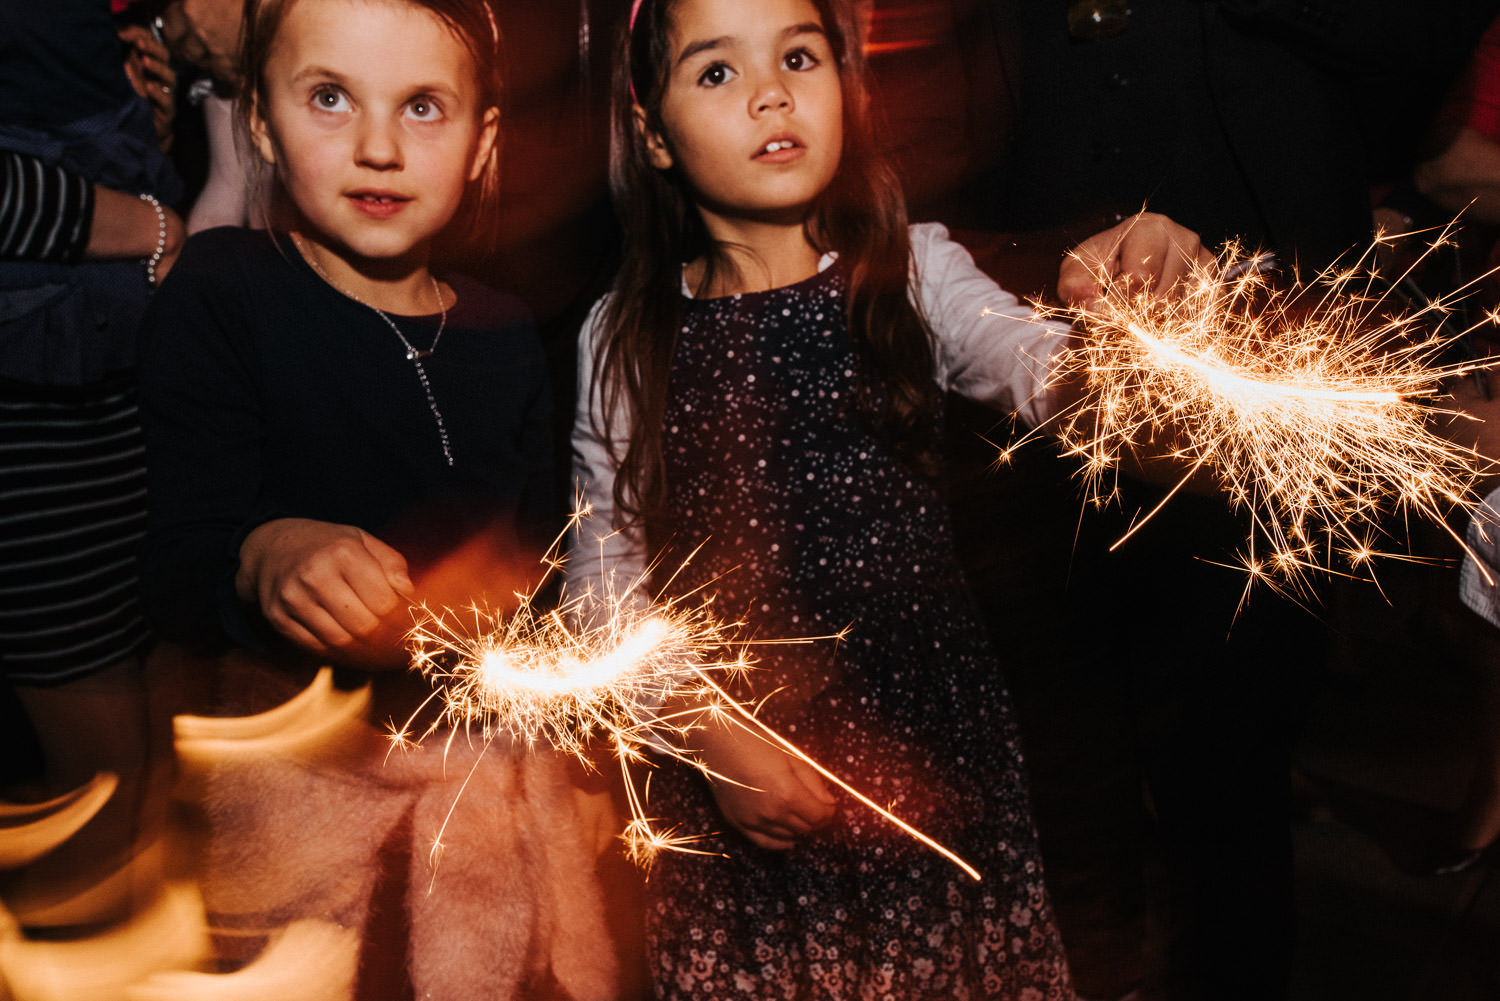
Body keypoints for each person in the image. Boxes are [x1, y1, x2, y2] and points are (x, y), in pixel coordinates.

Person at [569, 0, 1208, 997]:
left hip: (927, 750)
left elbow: (1054, 381)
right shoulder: (624, 331)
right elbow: (602, 585)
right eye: (716, 72)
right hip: (738, 760)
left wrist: (1137, 325)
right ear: (651, 131)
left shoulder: (910, 270)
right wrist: (708, 734)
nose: (771, 91)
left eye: (798, 55)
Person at [136, 0, 616, 996]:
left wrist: (581, 754)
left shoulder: (509, 329)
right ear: (261, 122)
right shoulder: (225, 293)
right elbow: (172, 556)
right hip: (297, 816)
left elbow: (546, 563)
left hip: (481, 812)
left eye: (425, 108)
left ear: (484, 142)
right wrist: (263, 550)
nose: (380, 147)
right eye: (329, 98)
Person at [0, 0, 185, 931]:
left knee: (144, 780)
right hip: (31, 401)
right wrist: (145, 225)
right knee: (99, 795)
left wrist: (131, 117)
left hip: (104, 377)